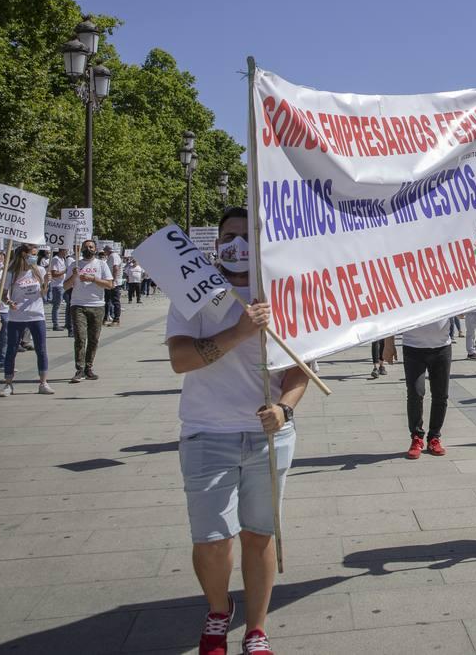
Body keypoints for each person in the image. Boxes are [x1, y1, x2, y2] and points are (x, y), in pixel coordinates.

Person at [166, 207, 311, 655]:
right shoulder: (194, 293)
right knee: (211, 541)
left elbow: (301, 372)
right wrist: (239, 331)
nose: (237, 245)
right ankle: (217, 610)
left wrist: (284, 411)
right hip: (207, 433)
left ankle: (256, 628)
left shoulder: (285, 295)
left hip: (268, 437)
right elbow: (181, 360)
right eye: (229, 236)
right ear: (217, 243)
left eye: (246, 236)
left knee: (259, 534)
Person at [385, 317, 452, 458]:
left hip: (442, 347)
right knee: (416, 392)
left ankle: (434, 437)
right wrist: (388, 343)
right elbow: (391, 314)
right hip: (413, 347)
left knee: (440, 394)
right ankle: (416, 437)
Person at [0, 243, 53, 397]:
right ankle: (8, 384)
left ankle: (43, 382)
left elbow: (43, 294)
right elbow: (3, 295)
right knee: (11, 350)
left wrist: (46, 283)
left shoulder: (39, 271)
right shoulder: (11, 273)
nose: (34, 257)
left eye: (36, 254)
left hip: (37, 315)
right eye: (32, 254)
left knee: (41, 349)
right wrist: (9, 303)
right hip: (17, 317)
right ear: (23, 254)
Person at [64, 240, 115, 382]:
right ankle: (79, 369)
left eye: (91, 247)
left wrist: (93, 279)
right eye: (85, 247)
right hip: (78, 305)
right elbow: (65, 286)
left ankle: (89, 368)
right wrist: (74, 276)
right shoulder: (75, 265)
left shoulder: (101, 264)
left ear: (95, 249)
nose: (88, 249)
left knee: (94, 339)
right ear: (81, 249)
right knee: (80, 338)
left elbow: (110, 284)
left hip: (97, 305)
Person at [47, 247, 67, 331]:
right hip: (57, 286)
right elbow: (54, 273)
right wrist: (64, 271)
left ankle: (66, 322)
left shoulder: (62, 259)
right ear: (62, 250)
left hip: (63, 285)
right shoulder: (56, 259)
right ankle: (55, 324)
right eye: (66, 250)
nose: (67, 252)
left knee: (66, 304)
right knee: (56, 306)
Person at [103, 246, 124, 325]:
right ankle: (105, 318)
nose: (104, 253)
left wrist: (113, 280)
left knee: (115, 301)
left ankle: (116, 319)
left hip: (114, 282)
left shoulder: (114, 256)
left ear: (107, 251)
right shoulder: (110, 257)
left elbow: (115, 268)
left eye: (105, 251)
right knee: (107, 301)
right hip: (109, 282)